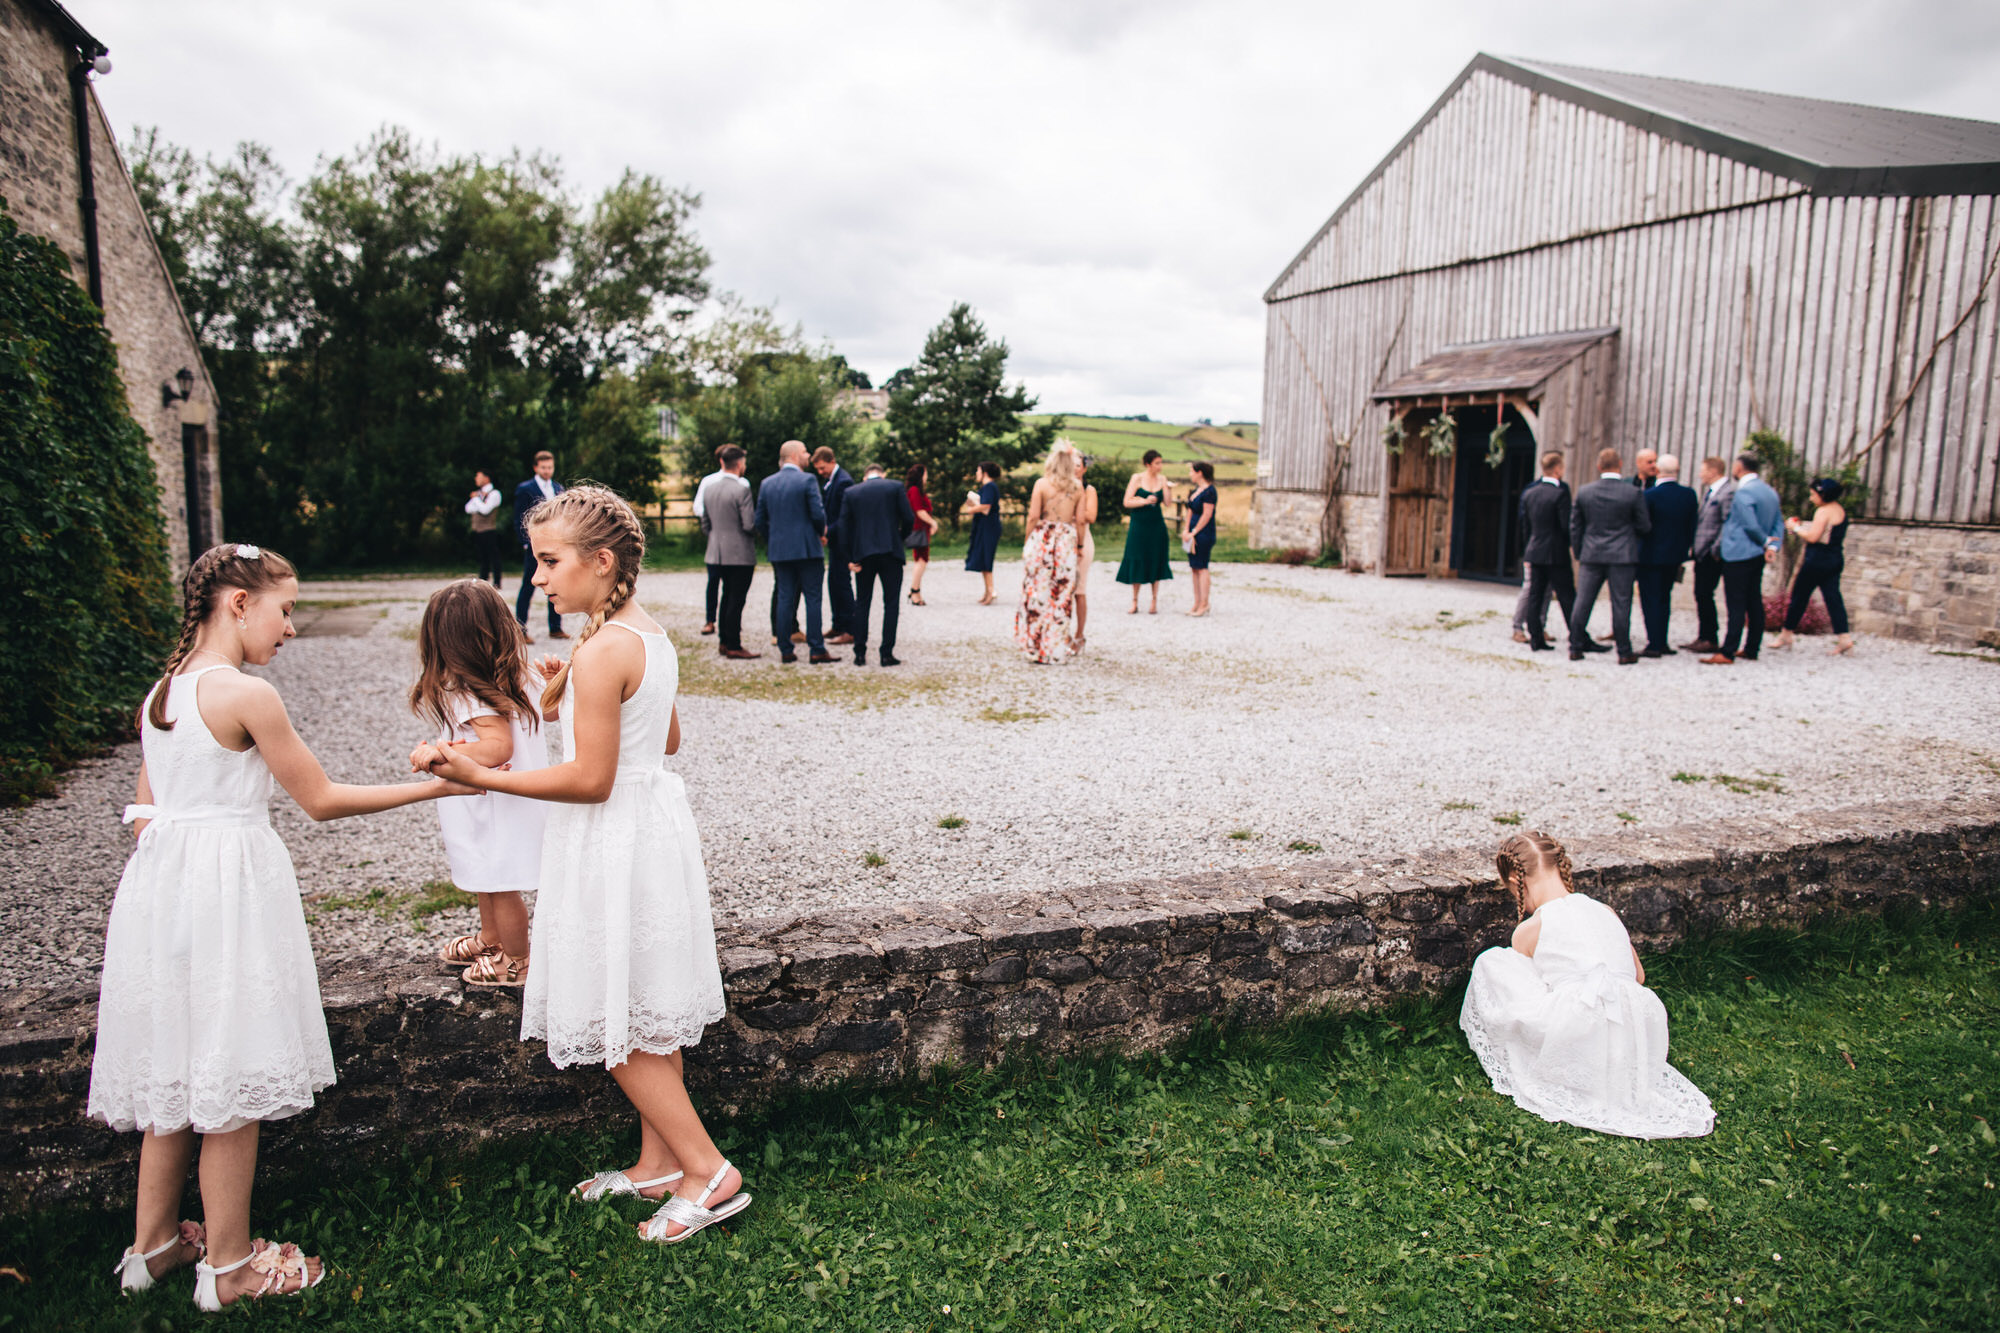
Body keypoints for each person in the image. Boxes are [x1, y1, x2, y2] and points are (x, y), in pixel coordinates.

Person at [91, 543, 469, 1309]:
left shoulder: (163, 692)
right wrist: (435, 791)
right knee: (232, 1069)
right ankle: (228, 1269)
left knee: (179, 1067)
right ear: (237, 602)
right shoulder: (246, 695)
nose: (291, 626)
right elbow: (321, 798)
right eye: (285, 608)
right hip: (228, 894)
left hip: (162, 896)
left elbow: (147, 812)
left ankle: (152, 1246)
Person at [416, 486, 746, 1243]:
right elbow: (664, 738)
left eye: (549, 561)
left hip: (608, 833)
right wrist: (576, 687)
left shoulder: (605, 649)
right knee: (643, 1005)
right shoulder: (646, 635)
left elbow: (590, 777)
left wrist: (483, 777)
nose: (538, 578)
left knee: (610, 1012)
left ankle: (709, 1170)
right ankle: (657, 1163)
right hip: (652, 827)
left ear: (601, 562)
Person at [1459, 831, 1714, 1139]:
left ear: (1515, 881)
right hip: (1638, 1026)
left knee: (1495, 962)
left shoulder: (1531, 929)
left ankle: (1548, 1052)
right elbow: (1639, 977)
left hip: (1580, 1025)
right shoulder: (1605, 911)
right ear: (1559, 866)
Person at [409, 580, 551, 988]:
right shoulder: (516, 675)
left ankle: (518, 961)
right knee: (486, 876)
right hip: (504, 800)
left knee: (500, 882)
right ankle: (491, 940)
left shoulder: (470, 689)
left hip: (492, 801)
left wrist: (441, 754)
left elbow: (497, 746)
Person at [1568, 447, 1651, 663]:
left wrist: (1579, 552)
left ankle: (1575, 646)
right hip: (1622, 556)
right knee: (1621, 603)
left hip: (1592, 554)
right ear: (1620, 464)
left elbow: (1575, 526)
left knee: (1583, 601)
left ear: (1598, 466)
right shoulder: (1632, 493)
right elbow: (1644, 526)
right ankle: (1623, 651)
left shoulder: (1585, 491)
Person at [755, 440, 833, 664]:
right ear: (795, 455)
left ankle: (785, 649)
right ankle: (817, 649)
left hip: (780, 551)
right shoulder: (807, 480)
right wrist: (821, 533)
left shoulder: (767, 483)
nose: (808, 455)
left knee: (785, 598)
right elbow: (818, 514)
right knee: (813, 598)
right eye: (806, 452)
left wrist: (774, 540)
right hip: (808, 549)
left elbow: (759, 520)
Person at [1701, 453, 1783, 665]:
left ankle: (1728, 651)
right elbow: (1778, 522)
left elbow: (1749, 524)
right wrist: (1772, 545)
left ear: (1739, 468)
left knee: (1735, 603)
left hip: (1738, 553)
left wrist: (1765, 541)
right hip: (1757, 555)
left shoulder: (1744, 493)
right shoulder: (1770, 492)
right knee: (1754, 600)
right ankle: (1751, 648)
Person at [1015, 439, 1086, 664]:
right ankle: (1054, 649)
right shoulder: (1077, 488)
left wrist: (1027, 540)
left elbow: (1033, 516)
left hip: (1043, 539)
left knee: (1036, 592)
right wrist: (1081, 545)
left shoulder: (1041, 484)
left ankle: (1033, 646)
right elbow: (1081, 521)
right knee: (1061, 595)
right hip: (1065, 540)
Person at [841, 462, 916, 666]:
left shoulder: (852, 492)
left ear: (865, 476)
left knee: (862, 602)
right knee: (891, 603)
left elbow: (844, 528)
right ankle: (886, 653)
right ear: (882, 474)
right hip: (891, 552)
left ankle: (859, 653)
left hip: (863, 555)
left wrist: (850, 557)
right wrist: (899, 538)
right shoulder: (895, 487)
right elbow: (909, 518)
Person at [1775, 477, 1854, 656]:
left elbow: (1813, 537)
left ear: (1823, 494)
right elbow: (1827, 533)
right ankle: (1844, 638)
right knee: (1833, 598)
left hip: (1817, 560)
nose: (1811, 498)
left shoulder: (1823, 511)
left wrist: (1794, 528)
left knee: (1799, 596)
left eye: (1813, 494)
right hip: (1834, 558)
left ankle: (1786, 633)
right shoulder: (1840, 510)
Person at [698, 446, 759, 660]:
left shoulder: (709, 488)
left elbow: (705, 524)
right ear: (740, 464)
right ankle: (733, 644)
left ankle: (724, 641)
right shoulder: (741, 489)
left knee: (725, 597)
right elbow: (749, 524)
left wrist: (716, 539)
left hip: (716, 552)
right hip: (739, 553)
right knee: (736, 599)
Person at [1636, 454, 1698, 657]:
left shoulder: (1649, 496)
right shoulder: (1688, 495)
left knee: (1650, 599)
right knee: (1665, 597)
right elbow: (1692, 526)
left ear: (1658, 471)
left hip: (1650, 556)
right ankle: (1662, 641)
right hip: (1675, 556)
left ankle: (1654, 643)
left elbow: (1642, 526)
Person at [1520, 451, 1578, 652]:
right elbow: (1565, 526)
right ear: (1557, 469)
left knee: (1535, 595)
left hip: (1535, 551)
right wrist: (1572, 546)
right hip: (1555, 553)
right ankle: (1577, 638)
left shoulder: (1529, 493)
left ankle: (1536, 638)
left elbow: (1525, 527)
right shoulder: (1559, 494)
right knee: (1567, 596)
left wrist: (1528, 550)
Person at [1682, 457, 1736, 653]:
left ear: (1713, 471)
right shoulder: (1711, 492)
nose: (1700, 474)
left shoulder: (1727, 493)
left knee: (1704, 594)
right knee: (1701, 594)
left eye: (1703, 470)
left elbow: (1727, 523)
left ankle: (1710, 637)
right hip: (1702, 552)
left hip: (1711, 554)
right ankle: (1704, 635)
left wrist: (1715, 549)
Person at [513, 452, 568, 641]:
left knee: (556, 584)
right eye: (544, 467)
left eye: (550, 467)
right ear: (536, 468)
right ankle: (520, 629)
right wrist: (526, 544)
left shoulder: (558, 488)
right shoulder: (525, 488)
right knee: (528, 586)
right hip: (534, 546)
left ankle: (555, 627)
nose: (547, 471)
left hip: (555, 545)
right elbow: (519, 518)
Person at [691, 446, 745, 637]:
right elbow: (698, 507)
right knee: (713, 582)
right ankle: (710, 620)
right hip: (715, 539)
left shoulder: (743, 483)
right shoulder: (708, 481)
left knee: (732, 588)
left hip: (733, 544)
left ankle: (731, 624)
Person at [1115, 449, 1174, 614]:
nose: (1160, 466)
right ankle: (1134, 600)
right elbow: (1126, 502)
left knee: (1155, 558)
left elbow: (1168, 503)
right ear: (1148, 464)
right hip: (1139, 525)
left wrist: (1167, 488)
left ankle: (1154, 600)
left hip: (1156, 525)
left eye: (1161, 462)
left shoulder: (1162, 479)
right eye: (1157, 463)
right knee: (1138, 558)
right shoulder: (1137, 478)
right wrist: (1145, 501)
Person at [813, 447, 856, 645]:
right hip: (834, 539)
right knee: (834, 582)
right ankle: (838, 624)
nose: (820, 472)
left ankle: (850, 628)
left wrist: (827, 531)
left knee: (842, 583)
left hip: (843, 540)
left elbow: (845, 516)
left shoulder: (844, 481)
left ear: (831, 461)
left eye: (822, 468)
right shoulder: (831, 480)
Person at [1181, 460, 1218, 617]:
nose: (1190, 474)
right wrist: (1186, 530)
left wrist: (1194, 531)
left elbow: (1207, 514)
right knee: (1194, 567)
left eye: (1191, 471)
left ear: (1200, 472)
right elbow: (1190, 511)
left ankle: (1205, 602)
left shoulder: (1210, 492)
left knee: (1202, 566)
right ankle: (1197, 602)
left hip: (1203, 533)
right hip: (1191, 533)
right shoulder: (1195, 491)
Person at [964, 462, 1003, 604]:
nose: (976, 473)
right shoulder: (986, 488)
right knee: (982, 557)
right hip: (984, 526)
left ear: (984, 472)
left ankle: (991, 591)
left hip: (989, 527)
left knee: (987, 558)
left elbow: (986, 506)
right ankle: (987, 591)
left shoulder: (990, 487)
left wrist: (970, 510)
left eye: (978, 470)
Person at [1072, 451, 1098, 653]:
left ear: (1085, 468)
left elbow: (1091, 515)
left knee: (1079, 590)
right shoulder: (1062, 488)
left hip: (1083, 541)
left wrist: (1072, 509)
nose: (1074, 468)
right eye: (1071, 464)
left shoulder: (1089, 490)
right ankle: (1062, 634)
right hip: (1064, 541)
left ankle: (1079, 635)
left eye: (1078, 465)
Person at [905, 464, 939, 606]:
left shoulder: (917, 490)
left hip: (922, 528)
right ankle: (914, 591)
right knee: (921, 559)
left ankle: (915, 590)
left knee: (921, 559)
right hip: (918, 529)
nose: (927, 477)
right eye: (925, 474)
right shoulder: (914, 491)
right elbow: (919, 511)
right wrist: (933, 523)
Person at [466, 470, 504, 588]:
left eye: (478, 476)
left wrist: (476, 499)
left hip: (489, 529)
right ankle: (483, 581)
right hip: (478, 530)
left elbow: (485, 510)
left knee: (493, 556)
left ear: (487, 478)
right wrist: (478, 500)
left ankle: (497, 581)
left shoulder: (495, 494)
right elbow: (468, 508)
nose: (475, 478)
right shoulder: (479, 493)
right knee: (483, 557)